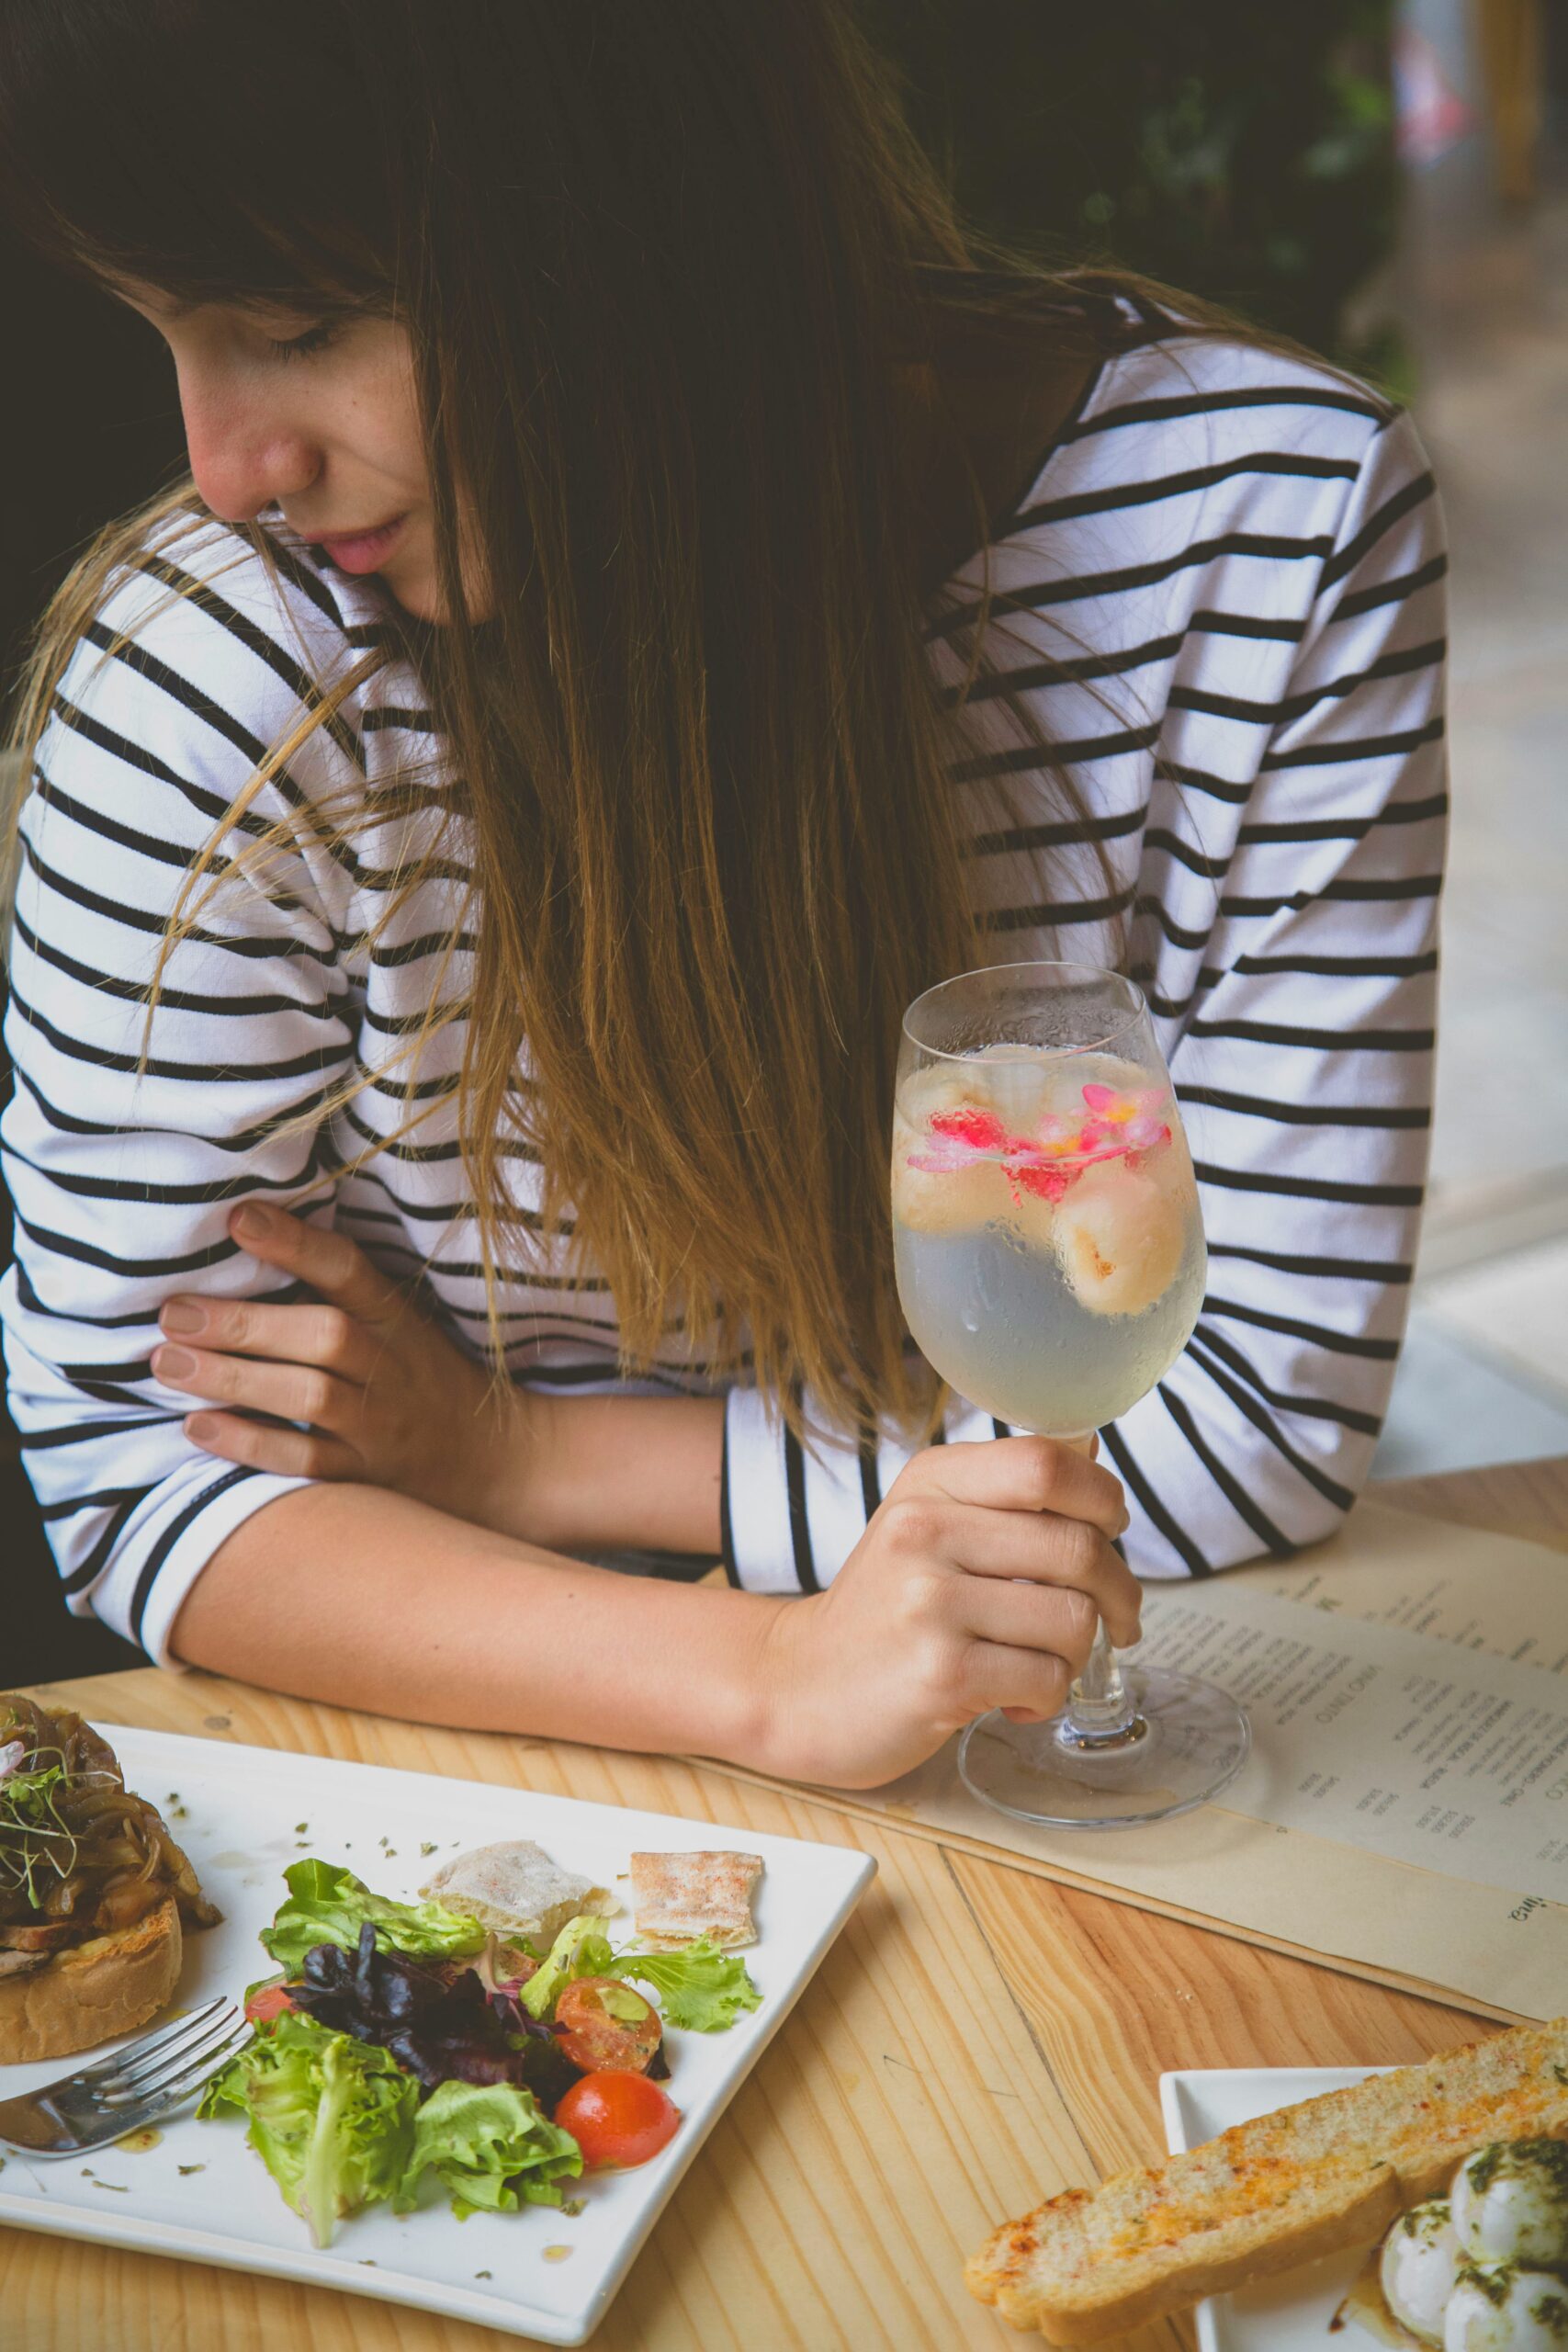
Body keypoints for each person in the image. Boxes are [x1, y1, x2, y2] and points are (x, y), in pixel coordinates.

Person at [0, 3, 1444, 1788]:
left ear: (627, 215)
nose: (226, 469)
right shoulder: (226, 665)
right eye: (164, 334)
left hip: (1066, 1668)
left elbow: (1254, 1416)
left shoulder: (1263, 524)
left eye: (300, 327)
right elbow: (140, 1463)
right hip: (494, 1743)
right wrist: (766, 1670)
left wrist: (524, 1451)